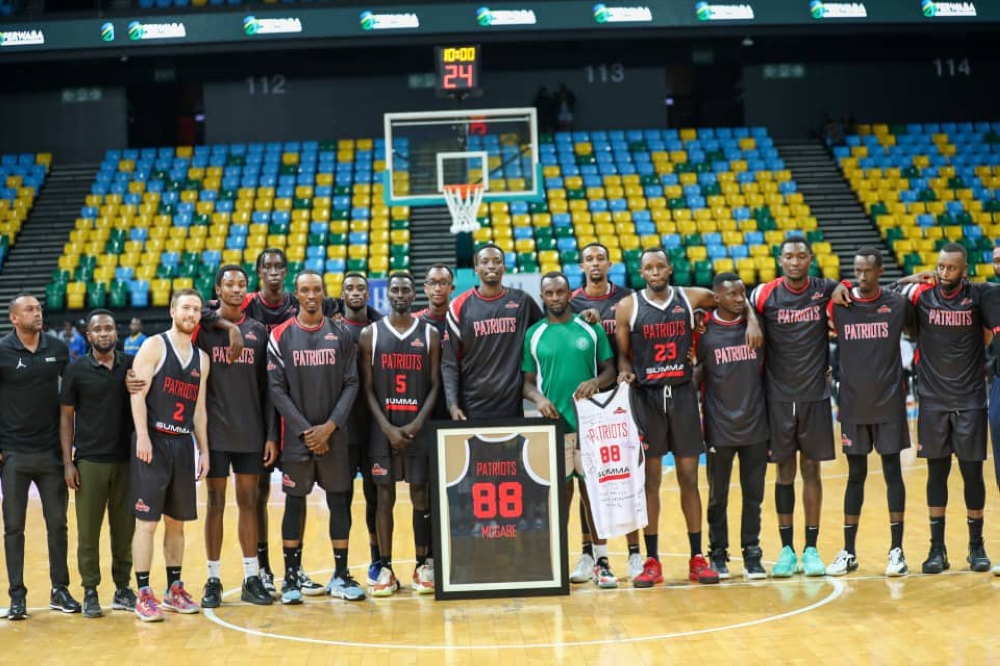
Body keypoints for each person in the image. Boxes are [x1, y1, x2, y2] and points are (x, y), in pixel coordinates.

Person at [617, 248, 762, 586]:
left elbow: (734, 297)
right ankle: (652, 560)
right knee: (650, 481)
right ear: (642, 273)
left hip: (682, 395)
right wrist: (625, 374)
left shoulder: (691, 296)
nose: (655, 272)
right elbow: (622, 356)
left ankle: (698, 556)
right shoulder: (629, 307)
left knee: (688, 478)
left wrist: (753, 318)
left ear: (670, 268)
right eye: (648, 267)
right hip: (647, 399)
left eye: (660, 266)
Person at [749, 235, 850, 578]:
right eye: (789, 256)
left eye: (801, 256)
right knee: (784, 473)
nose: (795, 262)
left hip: (815, 396)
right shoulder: (764, 294)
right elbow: (737, 302)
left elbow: (847, 286)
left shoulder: (823, 289)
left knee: (811, 471)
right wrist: (750, 319)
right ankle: (786, 550)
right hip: (777, 397)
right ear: (780, 260)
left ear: (810, 259)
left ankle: (811, 549)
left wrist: (839, 286)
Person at [899, 243, 1000, 574]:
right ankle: (936, 548)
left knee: (972, 473)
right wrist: (914, 276)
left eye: (951, 268)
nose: (944, 273)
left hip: (970, 398)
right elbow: (883, 292)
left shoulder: (980, 294)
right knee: (936, 473)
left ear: (964, 270)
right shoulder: (922, 295)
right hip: (933, 400)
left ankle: (976, 546)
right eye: (940, 267)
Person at [267, 271, 364, 604]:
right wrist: (308, 431)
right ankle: (291, 578)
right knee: (294, 505)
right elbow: (276, 389)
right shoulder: (281, 335)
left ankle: (341, 573)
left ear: (324, 293)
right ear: (296, 294)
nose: (311, 295)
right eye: (305, 290)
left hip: (335, 437)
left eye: (317, 290)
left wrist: (330, 426)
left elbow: (352, 383)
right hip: (298, 440)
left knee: (340, 502)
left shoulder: (341, 333)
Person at [523, 272, 617, 586]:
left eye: (560, 291)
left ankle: (602, 562)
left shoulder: (589, 329)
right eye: (549, 292)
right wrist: (538, 398)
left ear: (568, 294)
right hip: (556, 425)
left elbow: (610, 370)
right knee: (561, 496)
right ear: (543, 296)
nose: (555, 297)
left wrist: (595, 382)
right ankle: (558, 562)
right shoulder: (533, 335)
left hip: (591, 423)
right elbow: (526, 383)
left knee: (592, 494)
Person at [827, 248, 914, 577]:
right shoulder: (839, 305)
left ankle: (897, 550)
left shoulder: (896, 303)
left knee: (893, 474)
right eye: (857, 271)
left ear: (879, 272)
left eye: (868, 271)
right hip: (852, 405)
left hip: (889, 405)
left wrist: (911, 278)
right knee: (855, 477)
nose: (862, 276)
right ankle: (849, 551)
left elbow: (910, 292)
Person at [193, 265, 276, 608]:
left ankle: (251, 576)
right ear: (218, 288)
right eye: (230, 284)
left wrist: (271, 435)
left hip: (251, 432)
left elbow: (269, 390)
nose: (237, 289)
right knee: (214, 504)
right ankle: (212, 579)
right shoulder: (203, 330)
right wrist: (227, 326)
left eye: (242, 284)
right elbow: (191, 309)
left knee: (249, 503)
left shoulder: (259, 331)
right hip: (213, 433)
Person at [128, 289, 211, 622]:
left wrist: (203, 449)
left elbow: (200, 409)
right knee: (147, 523)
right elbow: (137, 395)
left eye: (196, 309)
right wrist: (143, 436)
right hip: (154, 443)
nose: (191, 313)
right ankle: (143, 593)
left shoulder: (201, 359)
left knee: (177, 524)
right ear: (173, 311)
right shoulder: (154, 346)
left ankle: (173, 588)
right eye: (186, 308)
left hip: (182, 445)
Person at [360, 272, 441, 596]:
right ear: (387, 294)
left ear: (414, 294)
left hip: (417, 429)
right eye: (395, 289)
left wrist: (418, 423)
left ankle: (423, 565)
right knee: (384, 498)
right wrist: (386, 427)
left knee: (422, 497)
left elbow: (435, 385)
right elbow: (366, 387)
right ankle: (385, 567)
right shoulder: (371, 334)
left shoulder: (431, 334)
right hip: (384, 431)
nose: (401, 294)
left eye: (406, 289)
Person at [0, 293, 79, 620]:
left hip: (50, 453)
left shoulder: (57, 348)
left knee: (58, 525)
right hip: (14, 453)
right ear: (14, 317)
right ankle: (16, 595)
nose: (37, 313)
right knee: (13, 528)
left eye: (39, 308)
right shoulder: (2, 351)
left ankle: (59, 589)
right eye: (29, 310)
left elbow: (76, 390)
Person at [569, 242, 643, 583]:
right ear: (581, 265)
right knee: (590, 479)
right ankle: (589, 554)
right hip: (590, 401)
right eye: (588, 259)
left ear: (609, 263)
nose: (595, 263)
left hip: (624, 395)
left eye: (600, 258)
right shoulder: (570, 303)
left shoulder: (628, 297)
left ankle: (634, 554)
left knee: (625, 474)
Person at [60, 309, 137, 618]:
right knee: (88, 533)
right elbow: (66, 419)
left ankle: (122, 588)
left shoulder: (131, 366)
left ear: (116, 333)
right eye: (98, 329)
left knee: (124, 530)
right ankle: (90, 590)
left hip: (127, 462)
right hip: (89, 462)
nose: (104, 333)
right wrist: (68, 462)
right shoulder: (76, 370)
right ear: (88, 335)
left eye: (109, 328)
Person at [696, 273, 769, 580]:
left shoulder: (756, 327)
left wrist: (751, 316)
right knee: (718, 495)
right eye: (733, 295)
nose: (740, 299)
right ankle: (718, 553)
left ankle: (752, 553)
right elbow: (697, 373)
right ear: (717, 298)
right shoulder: (704, 331)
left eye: (743, 294)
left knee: (754, 496)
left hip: (755, 424)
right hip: (719, 426)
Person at [443, 243, 543, 421]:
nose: (491, 265)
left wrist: (581, 318)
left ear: (504, 267)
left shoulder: (522, 301)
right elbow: (449, 362)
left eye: (497, 261)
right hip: (471, 406)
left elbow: (547, 331)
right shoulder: (459, 306)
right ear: (476, 269)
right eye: (485, 261)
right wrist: (452, 404)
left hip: (512, 404)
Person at [339, 272, 384, 587]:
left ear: (369, 294)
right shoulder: (331, 328)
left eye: (360, 288)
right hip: (341, 429)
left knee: (374, 498)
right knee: (340, 500)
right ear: (341, 295)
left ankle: (377, 558)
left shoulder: (381, 328)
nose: (355, 292)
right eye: (349, 288)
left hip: (372, 428)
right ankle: (340, 568)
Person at [418, 263, 455, 422]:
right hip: (423, 402)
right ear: (425, 288)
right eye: (432, 283)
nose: (438, 288)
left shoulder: (460, 321)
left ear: (452, 288)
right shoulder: (414, 323)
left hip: (456, 402)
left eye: (443, 282)